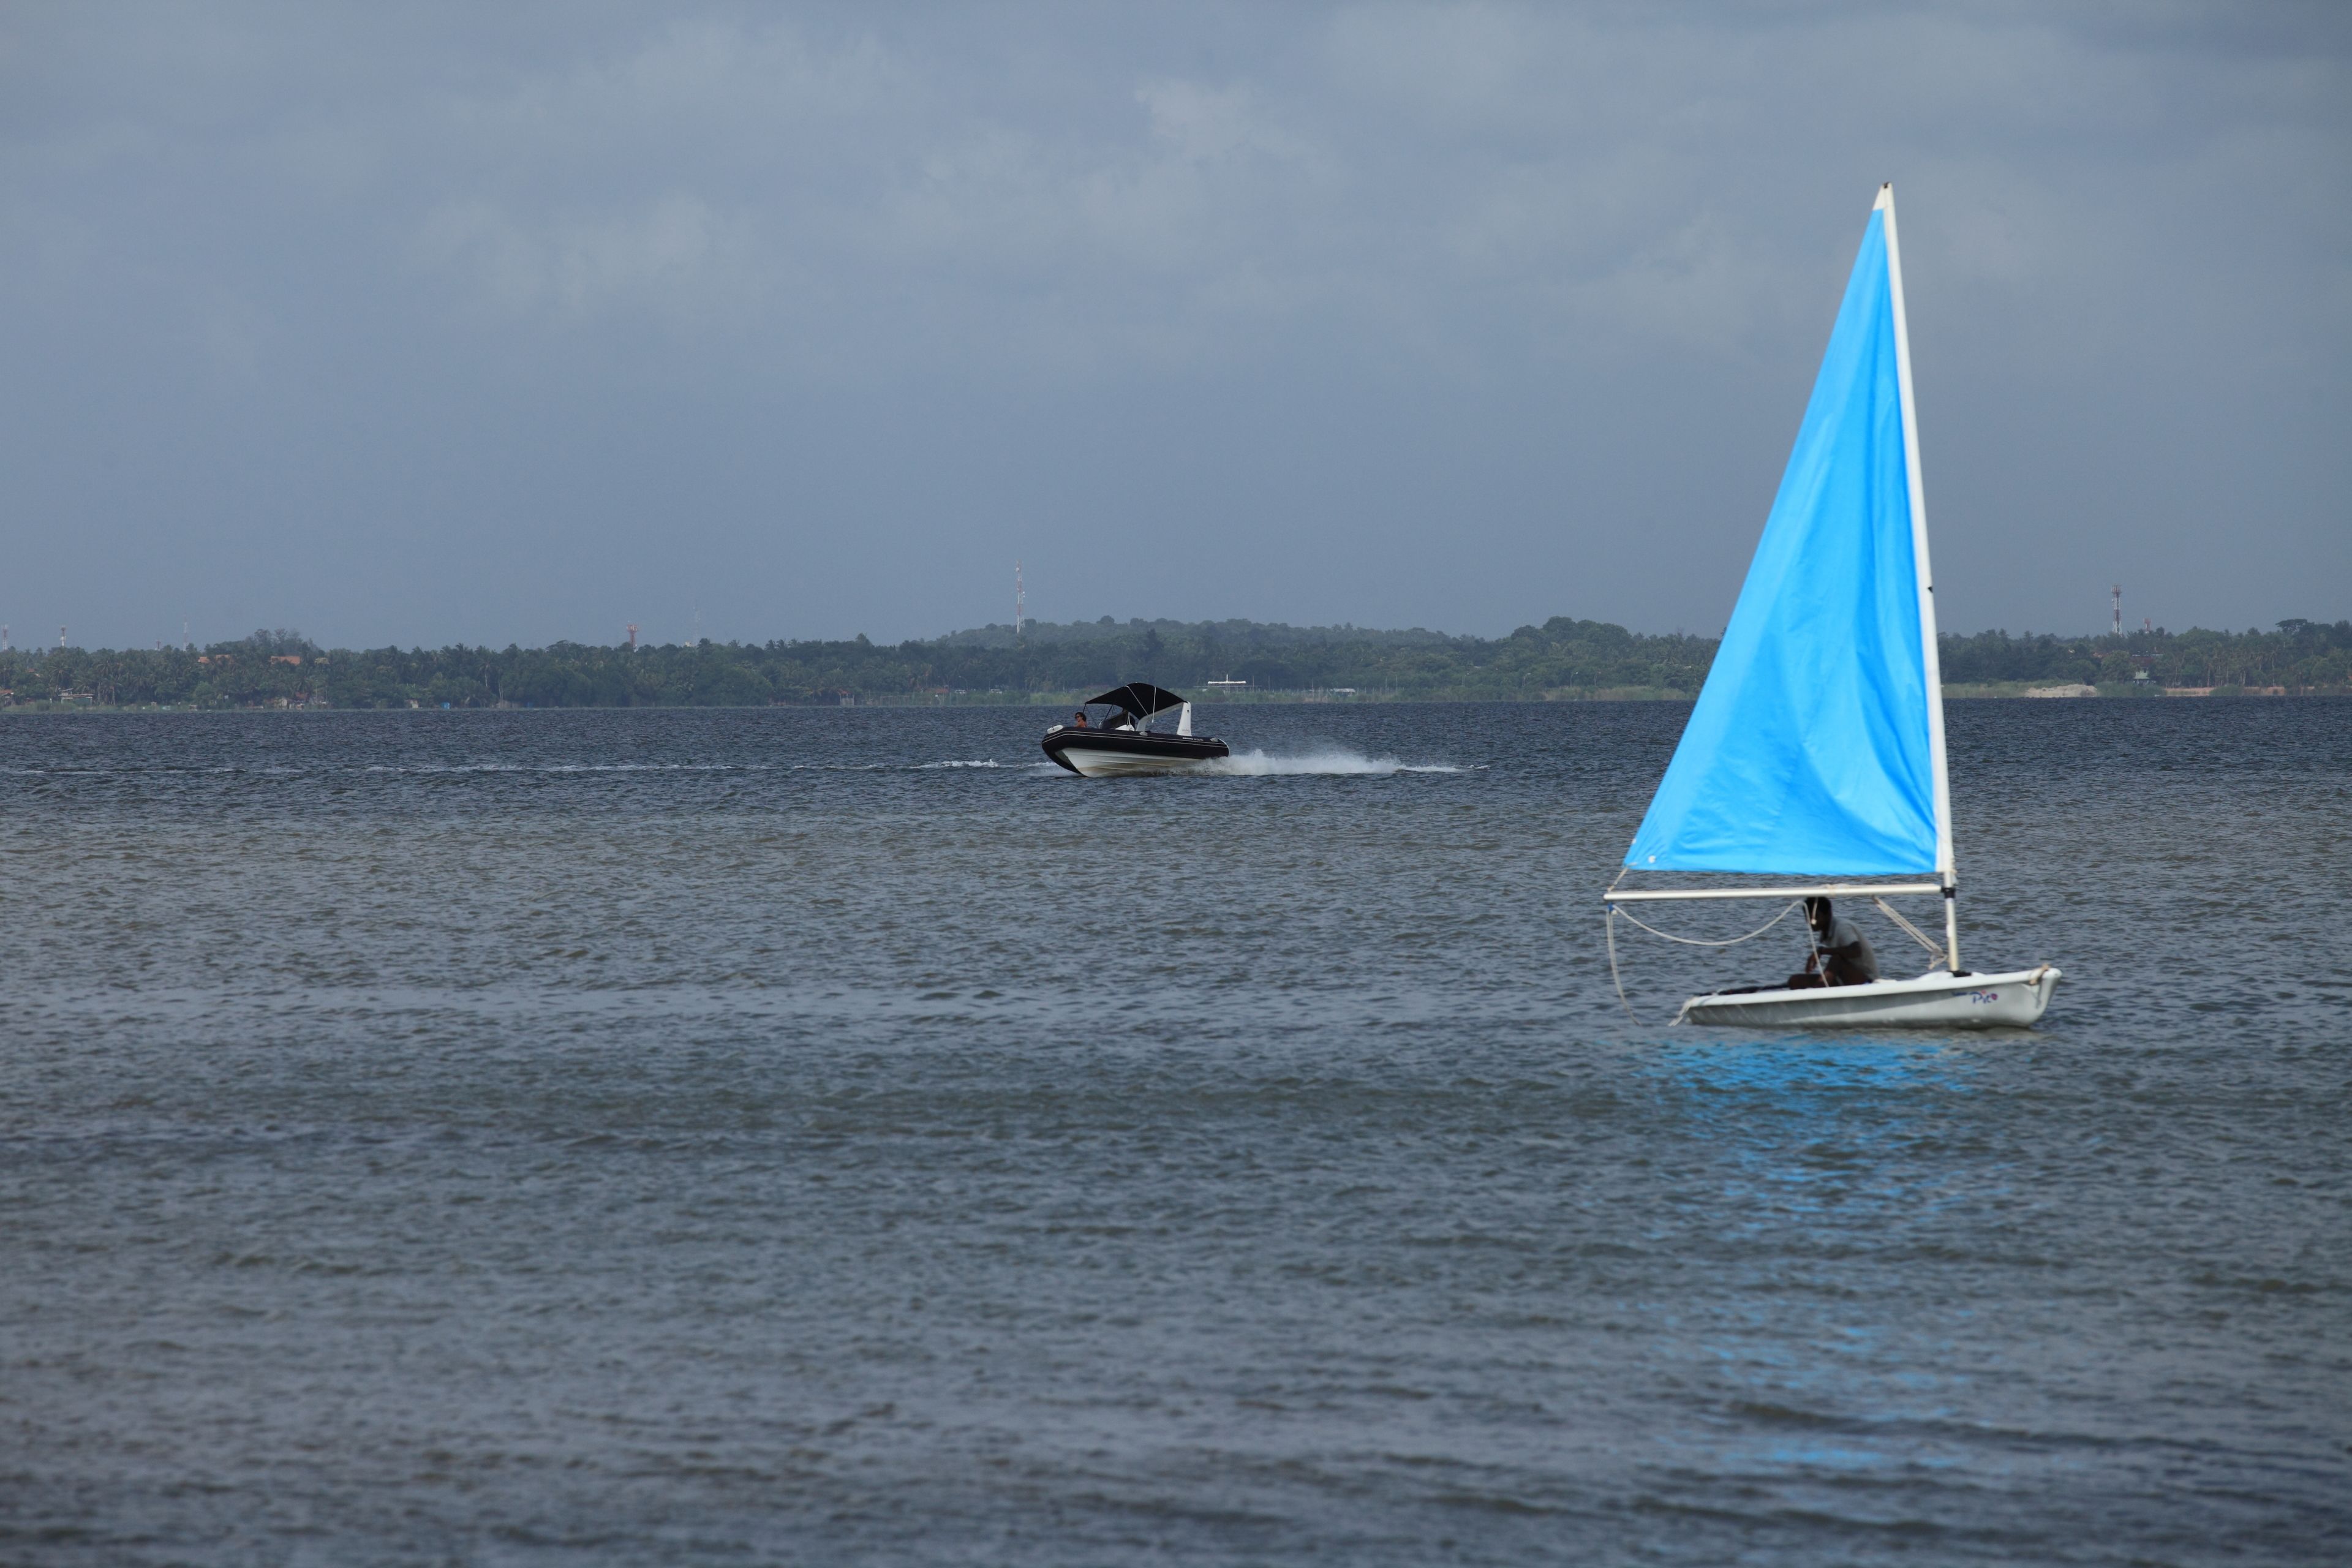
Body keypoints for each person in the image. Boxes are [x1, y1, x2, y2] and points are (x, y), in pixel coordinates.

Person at [1786, 896, 1879, 989]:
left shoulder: (1842, 927)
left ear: (1828, 914)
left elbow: (1855, 950)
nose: (1811, 922)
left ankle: (1818, 993)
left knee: (1836, 960)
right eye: (1808, 918)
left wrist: (1822, 951)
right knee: (1795, 981)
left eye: (1815, 918)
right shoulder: (1825, 933)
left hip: (1867, 980)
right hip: (1843, 978)